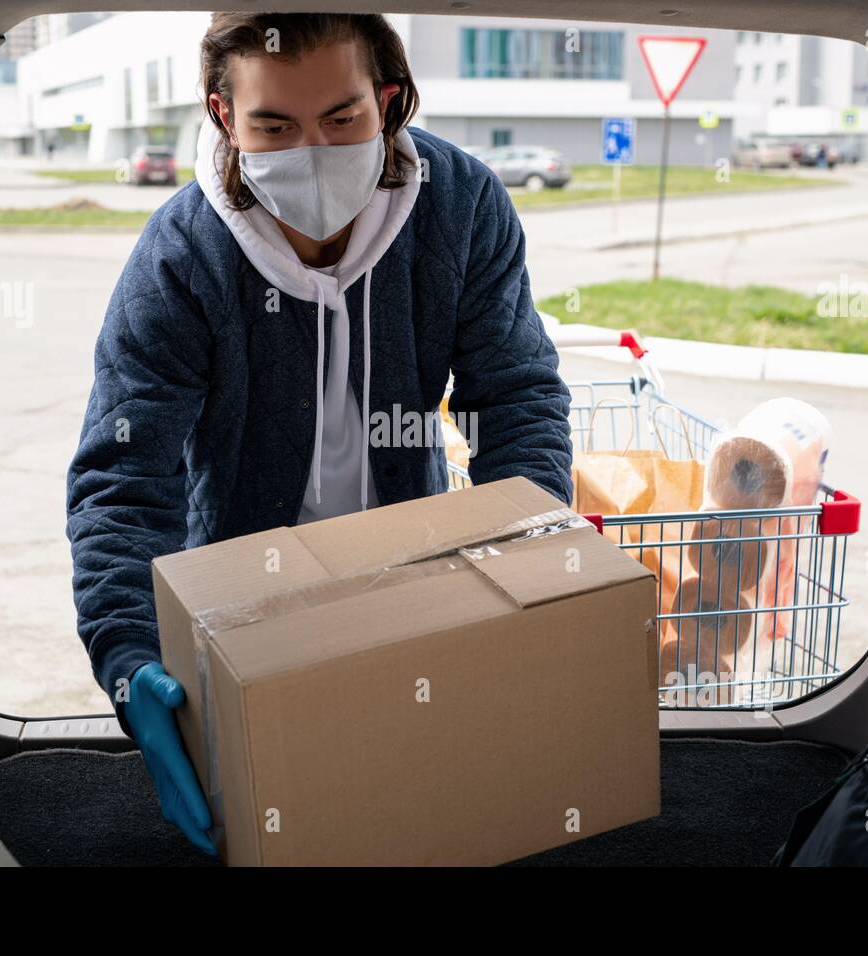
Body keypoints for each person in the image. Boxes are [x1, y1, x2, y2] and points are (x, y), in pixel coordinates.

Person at [65, 12, 572, 856]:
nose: (313, 153)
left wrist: (518, 570)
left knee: (430, 821)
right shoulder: (180, 258)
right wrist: (129, 650)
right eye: (274, 125)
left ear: (391, 99)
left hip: (417, 585)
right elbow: (125, 477)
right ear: (224, 117)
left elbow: (515, 398)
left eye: (342, 120)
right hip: (241, 606)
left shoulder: (463, 207)